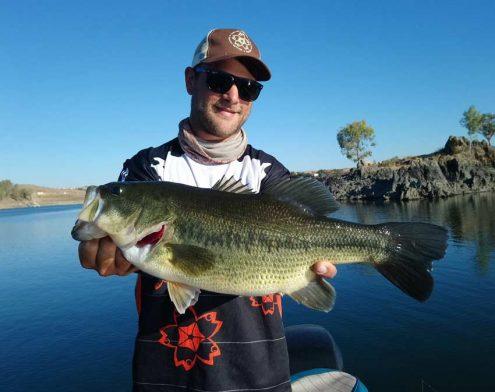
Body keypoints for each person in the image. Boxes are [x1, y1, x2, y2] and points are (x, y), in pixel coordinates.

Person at [78, 28, 337, 392]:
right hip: (166, 379)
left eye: (248, 89)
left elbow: (309, 232)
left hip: (261, 378)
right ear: (190, 79)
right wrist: (99, 249)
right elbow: (104, 249)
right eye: (219, 80)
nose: (233, 95)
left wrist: (315, 268)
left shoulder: (269, 174)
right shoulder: (147, 170)